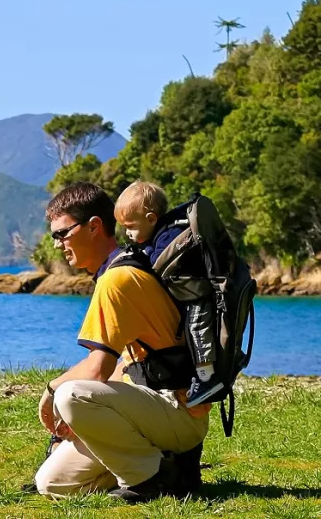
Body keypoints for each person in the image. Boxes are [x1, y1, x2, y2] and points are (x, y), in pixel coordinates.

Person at [33, 182, 210, 502]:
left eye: (62, 233)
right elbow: (122, 363)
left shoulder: (118, 278)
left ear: (94, 227)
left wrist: (51, 391)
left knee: (70, 396)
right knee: (52, 482)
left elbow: (97, 371)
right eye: (54, 236)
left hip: (177, 411)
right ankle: (164, 465)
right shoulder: (118, 269)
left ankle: (154, 478)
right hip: (148, 411)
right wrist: (89, 423)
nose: (57, 244)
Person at [114, 181, 224, 407]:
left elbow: (161, 260)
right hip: (187, 295)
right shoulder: (160, 231)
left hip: (197, 297)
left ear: (151, 219)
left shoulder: (169, 234)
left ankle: (207, 378)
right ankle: (199, 375)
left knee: (197, 330)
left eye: (130, 226)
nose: (127, 233)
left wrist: (143, 254)